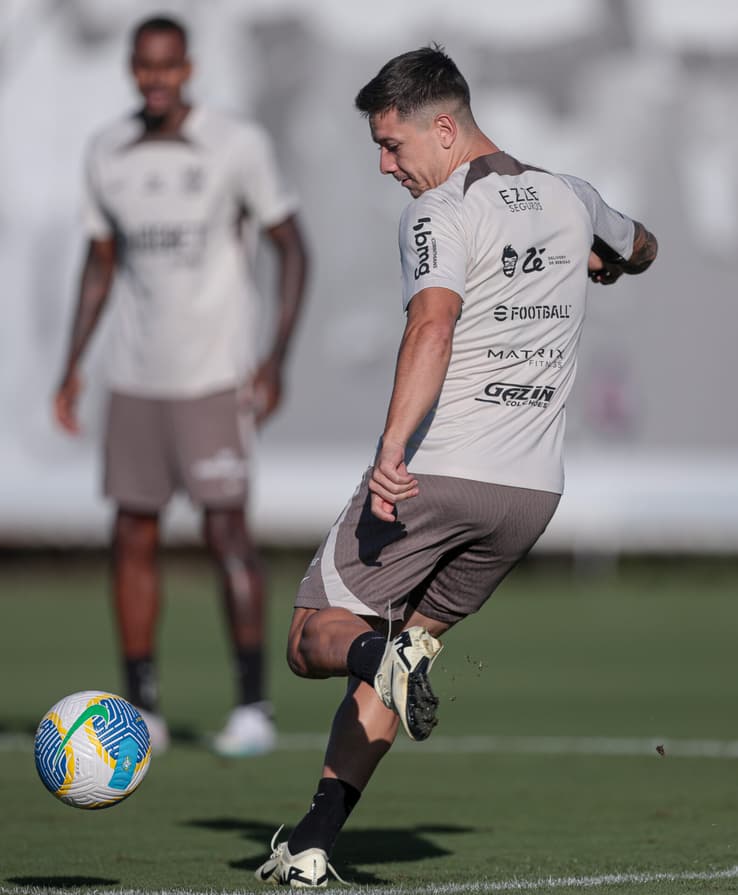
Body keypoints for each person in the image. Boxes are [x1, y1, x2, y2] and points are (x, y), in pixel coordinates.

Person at [255, 45, 656, 886]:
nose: (385, 164)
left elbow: (432, 326)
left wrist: (392, 450)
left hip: (438, 474)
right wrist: (604, 261)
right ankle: (316, 841)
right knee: (405, 653)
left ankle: (378, 658)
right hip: (530, 493)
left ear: (445, 129)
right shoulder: (569, 194)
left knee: (307, 638)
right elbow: (643, 246)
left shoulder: (441, 210)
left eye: (393, 144)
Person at [53, 15, 307, 758]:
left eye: (168, 66)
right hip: (135, 376)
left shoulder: (236, 145)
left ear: (188, 67)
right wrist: (71, 364)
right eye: (143, 67)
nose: (156, 79)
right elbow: (100, 263)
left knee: (227, 529)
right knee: (132, 533)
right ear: (131, 69)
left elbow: (293, 249)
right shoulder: (106, 150)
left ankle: (253, 705)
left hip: (213, 374)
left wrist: (275, 358)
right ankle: (142, 707)